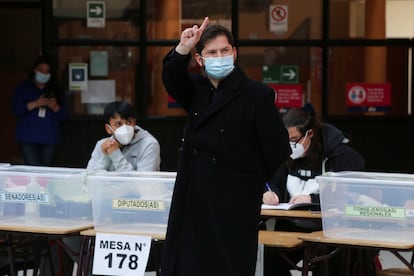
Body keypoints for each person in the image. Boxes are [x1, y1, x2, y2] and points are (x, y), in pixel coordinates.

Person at [161, 17, 291, 276]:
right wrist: (183, 48)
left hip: (234, 203)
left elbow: (277, 150)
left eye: (225, 50)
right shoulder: (196, 89)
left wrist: (248, 184)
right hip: (193, 197)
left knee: (226, 266)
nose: (219, 57)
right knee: (188, 264)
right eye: (211, 52)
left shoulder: (257, 95)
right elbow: (172, 78)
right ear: (200, 60)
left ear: (234, 53)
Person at [262, 106, 379, 276]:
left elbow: (352, 194)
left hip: (332, 229)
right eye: (285, 140)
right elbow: (275, 181)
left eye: (294, 139)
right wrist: (272, 193)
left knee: (327, 263)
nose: (290, 146)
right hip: (292, 226)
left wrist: (313, 199)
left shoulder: (342, 156)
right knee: (270, 257)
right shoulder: (284, 154)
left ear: (310, 134)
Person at [11, 56, 68, 166]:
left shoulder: (57, 90)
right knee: (33, 170)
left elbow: (65, 116)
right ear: (34, 70)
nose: (43, 74)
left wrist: (54, 107)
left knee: (45, 172)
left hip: (49, 137)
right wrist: (35, 103)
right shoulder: (23, 87)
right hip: (27, 137)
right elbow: (16, 110)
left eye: (47, 71)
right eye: (41, 70)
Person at [86, 101, 161, 171]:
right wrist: (105, 156)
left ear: (134, 123)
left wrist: (115, 155)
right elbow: (88, 178)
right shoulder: (103, 145)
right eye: (118, 124)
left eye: (129, 122)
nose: (125, 127)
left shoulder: (149, 145)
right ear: (108, 129)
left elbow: (142, 182)